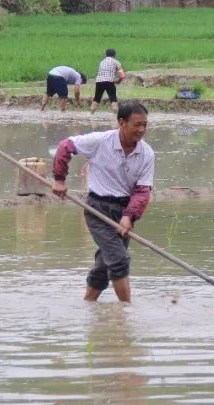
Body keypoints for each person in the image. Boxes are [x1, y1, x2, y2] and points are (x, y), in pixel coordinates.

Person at [52, 101, 154, 303]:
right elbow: (66, 146)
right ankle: (126, 312)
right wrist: (59, 179)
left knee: (104, 266)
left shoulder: (146, 153)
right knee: (119, 260)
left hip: (124, 210)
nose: (141, 130)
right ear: (121, 122)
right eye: (137, 125)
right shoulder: (100, 141)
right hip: (97, 209)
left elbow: (142, 191)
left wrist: (129, 216)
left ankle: (88, 304)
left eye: (145, 125)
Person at [90, 48, 126, 114]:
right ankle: (115, 116)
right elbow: (122, 76)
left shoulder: (102, 62)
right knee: (113, 99)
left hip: (99, 82)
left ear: (106, 55)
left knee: (97, 98)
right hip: (109, 82)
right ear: (114, 55)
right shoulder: (116, 62)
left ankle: (91, 114)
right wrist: (118, 81)